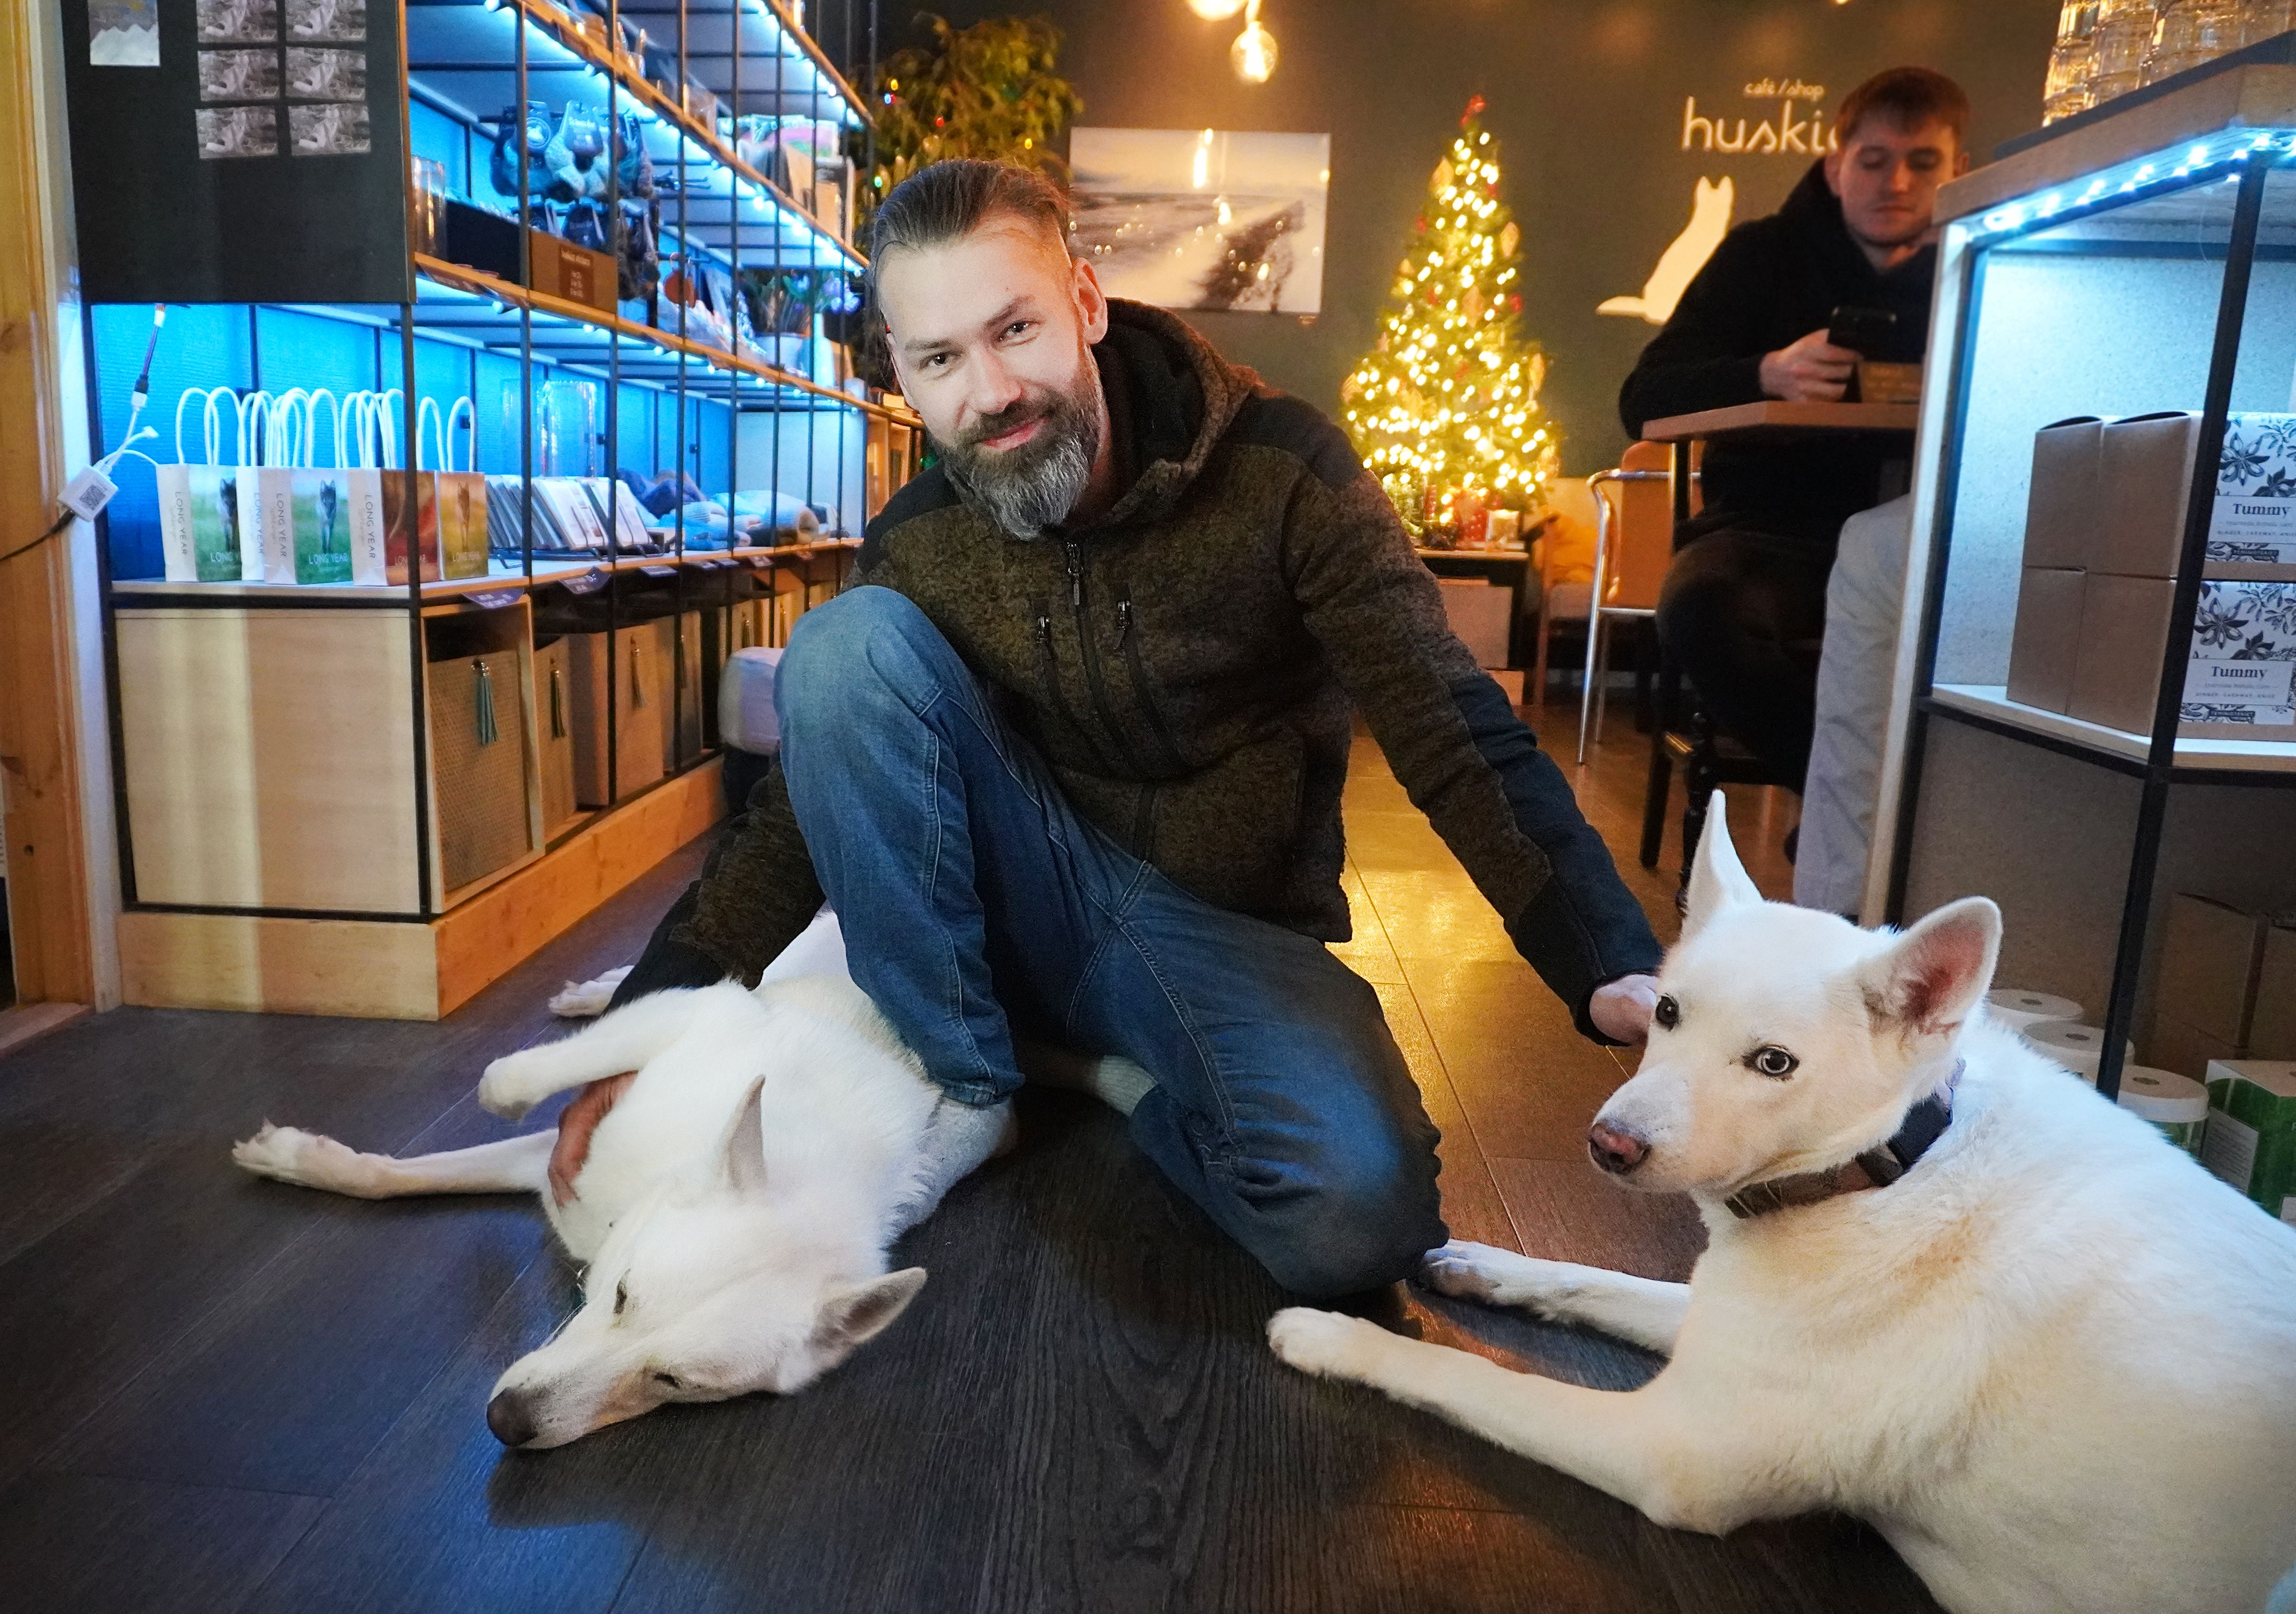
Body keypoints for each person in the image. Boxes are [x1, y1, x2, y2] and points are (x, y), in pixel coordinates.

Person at [545, 159, 1664, 1301]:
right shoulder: (921, 539)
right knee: (838, 649)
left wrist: (1604, 960)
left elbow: (1452, 721)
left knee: (1353, 1229)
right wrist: (645, 1026)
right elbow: (789, 819)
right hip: (1010, 903)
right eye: (940, 359)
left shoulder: (1283, 471)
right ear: (904, 376)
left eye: (1014, 327)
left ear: (1086, 303)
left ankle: (1105, 1073)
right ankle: (980, 1088)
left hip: (1222, 932)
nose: (990, 391)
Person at [1619, 67, 1971, 812]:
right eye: (1873, 161)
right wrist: (1765, 372)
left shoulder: (1983, 267)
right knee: (1700, 609)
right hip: (1768, 531)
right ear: (1835, 165)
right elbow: (1644, 397)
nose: (1896, 182)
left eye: (1921, 162)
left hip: (1934, 536)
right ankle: (1868, 818)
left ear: (1958, 172)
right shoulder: (1760, 256)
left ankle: (1889, 823)